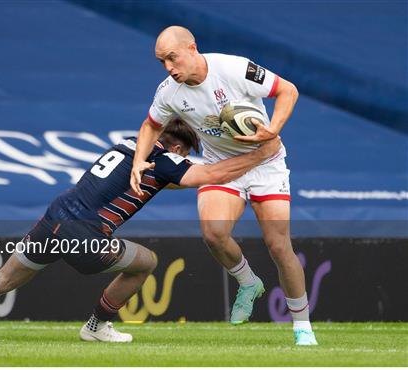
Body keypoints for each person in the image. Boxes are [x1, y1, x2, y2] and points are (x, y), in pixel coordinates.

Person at [0, 118, 280, 343]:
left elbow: (164, 182)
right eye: (185, 152)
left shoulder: (125, 146)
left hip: (53, 217)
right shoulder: (166, 158)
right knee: (146, 262)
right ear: (175, 146)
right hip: (84, 232)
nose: (183, 158)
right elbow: (209, 176)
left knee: (5, 277)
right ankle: (96, 326)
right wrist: (259, 156)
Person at [130, 26, 317, 345]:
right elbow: (151, 125)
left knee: (278, 245)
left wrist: (272, 129)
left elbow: (288, 91)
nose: (169, 68)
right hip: (222, 166)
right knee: (214, 234)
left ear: (192, 48)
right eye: (162, 62)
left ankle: (302, 327)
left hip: (266, 163)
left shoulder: (234, 69)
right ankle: (248, 282)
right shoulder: (169, 92)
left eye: (172, 58)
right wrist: (138, 160)